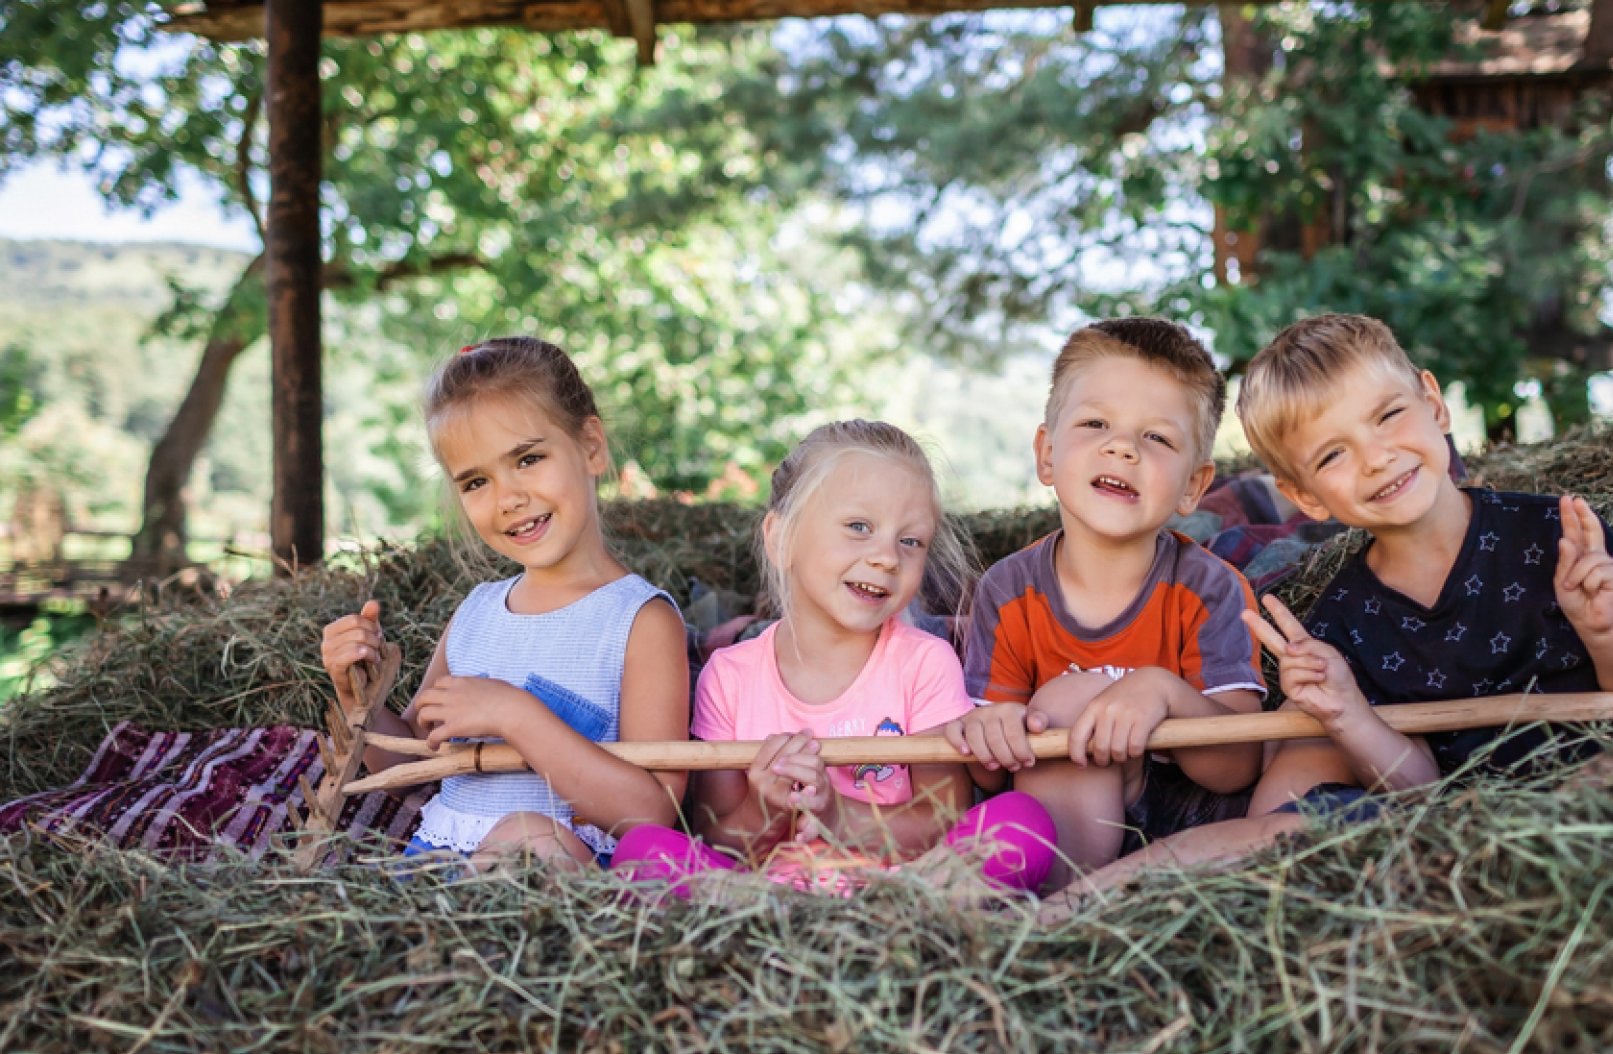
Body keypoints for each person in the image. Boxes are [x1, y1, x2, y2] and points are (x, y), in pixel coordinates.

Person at [1046, 313, 1613, 906]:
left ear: (1433, 404)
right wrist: (1348, 713)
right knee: (1275, 833)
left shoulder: (1555, 534)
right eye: (1333, 455)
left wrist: (1605, 631)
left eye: (1388, 415)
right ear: (1305, 496)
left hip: (1595, 778)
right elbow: (1418, 789)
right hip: (1447, 826)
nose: (1376, 457)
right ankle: (1063, 912)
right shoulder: (1344, 618)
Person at [611, 420, 1056, 895]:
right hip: (763, 897)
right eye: (858, 527)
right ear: (781, 539)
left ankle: (892, 925)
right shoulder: (729, 676)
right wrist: (770, 807)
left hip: (902, 889)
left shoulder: (924, 662)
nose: (887, 557)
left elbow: (942, 820)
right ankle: (783, 929)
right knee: (641, 850)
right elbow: (718, 838)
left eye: (911, 541)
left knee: (1023, 823)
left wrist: (834, 813)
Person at [320, 336, 689, 870]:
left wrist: (515, 715)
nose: (507, 498)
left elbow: (654, 814)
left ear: (591, 446)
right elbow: (411, 768)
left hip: (558, 889)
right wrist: (363, 698)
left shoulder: (638, 621)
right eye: (476, 481)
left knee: (530, 836)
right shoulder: (477, 613)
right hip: (441, 868)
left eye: (528, 458)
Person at [940, 318, 1268, 893]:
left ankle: (1089, 905)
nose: (1121, 447)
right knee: (1063, 702)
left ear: (1194, 485)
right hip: (1060, 825)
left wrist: (1163, 693)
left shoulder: (1212, 588)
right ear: (1047, 454)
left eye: (1157, 438)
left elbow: (1235, 768)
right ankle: (1062, 913)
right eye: (1096, 424)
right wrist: (993, 733)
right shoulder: (1007, 590)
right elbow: (987, 781)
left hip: (1185, 825)